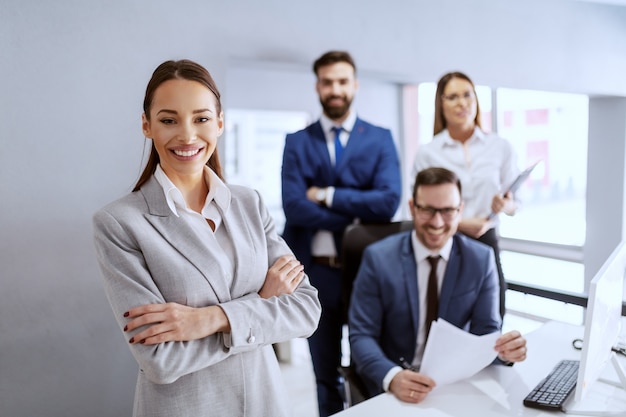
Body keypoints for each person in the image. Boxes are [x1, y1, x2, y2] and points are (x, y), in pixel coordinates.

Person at [92, 59, 321, 417]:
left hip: (265, 402)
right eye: (169, 120)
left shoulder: (248, 203)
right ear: (146, 125)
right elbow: (161, 360)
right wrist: (261, 303)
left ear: (220, 123)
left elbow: (307, 310)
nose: (186, 135)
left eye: (200, 119)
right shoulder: (120, 223)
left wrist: (210, 319)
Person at [281, 50, 402, 416]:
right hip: (316, 274)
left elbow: (388, 202)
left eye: (342, 81)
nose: (335, 89)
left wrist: (327, 196)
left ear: (355, 85)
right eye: (328, 81)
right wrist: (354, 220)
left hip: (370, 271)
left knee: (375, 366)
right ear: (318, 86)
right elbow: (294, 207)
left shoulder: (379, 139)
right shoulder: (298, 141)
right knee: (325, 374)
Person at [349, 167, 527, 403]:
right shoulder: (378, 258)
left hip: (454, 384)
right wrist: (392, 377)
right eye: (428, 210)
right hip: (394, 385)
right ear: (412, 208)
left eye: (447, 211)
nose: (437, 222)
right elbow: (362, 335)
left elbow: (486, 332)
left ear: (460, 210)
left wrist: (504, 352)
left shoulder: (481, 260)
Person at [411, 71, 520, 318]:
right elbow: (417, 207)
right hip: (444, 243)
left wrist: (506, 205)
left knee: (491, 321)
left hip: (487, 242)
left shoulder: (500, 147)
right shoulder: (428, 153)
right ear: (441, 103)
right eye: (452, 97)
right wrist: (459, 223)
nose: (462, 103)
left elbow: (516, 203)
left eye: (467, 95)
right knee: (447, 322)